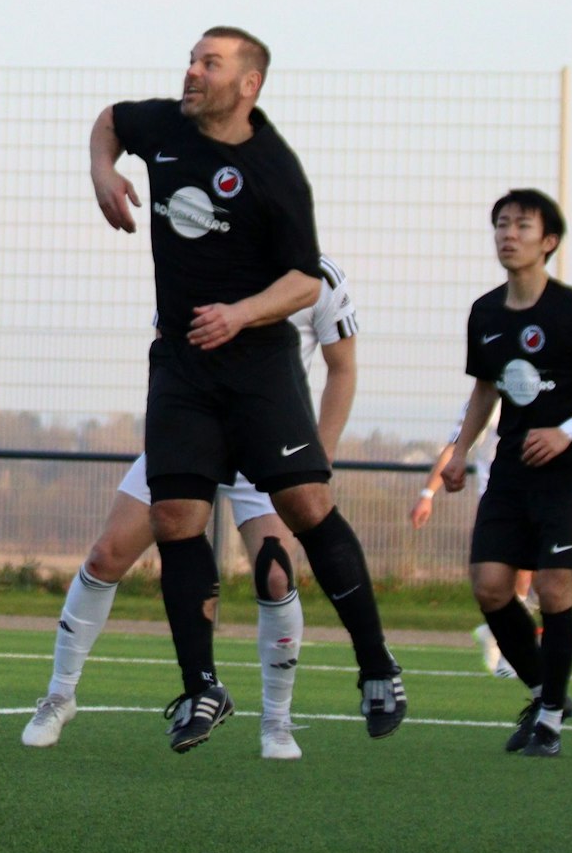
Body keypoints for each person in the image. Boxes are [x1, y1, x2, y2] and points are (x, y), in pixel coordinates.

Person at [88, 26, 403, 752]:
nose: (192, 72)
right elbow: (109, 121)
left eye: (210, 63)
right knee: (174, 514)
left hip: (258, 364)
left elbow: (304, 279)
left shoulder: (273, 168)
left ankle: (378, 665)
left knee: (307, 503)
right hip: (181, 362)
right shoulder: (164, 123)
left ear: (249, 84)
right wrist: (102, 171)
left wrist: (240, 312)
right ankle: (202, 688)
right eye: (192, 58)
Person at [24, 257, 358, 761]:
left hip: (265, 440)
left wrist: (320, 454)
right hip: (190, 438)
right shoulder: (198, 258)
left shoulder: (316, 274)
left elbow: (343, 366)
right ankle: (58, 696)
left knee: (275, 573)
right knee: (106, 555)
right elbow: (164, 347)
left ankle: (277, 722)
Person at [442, 189, 572, 758]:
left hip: (568, 474)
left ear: (548, 241)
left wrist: (567, 431)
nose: (508, 234)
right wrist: (460, 451)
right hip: (510, 472)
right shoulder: (485, 313)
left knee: (553, 589)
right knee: (489, 585)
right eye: (501, 224)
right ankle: (542, 690)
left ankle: (550, 718)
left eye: (522, 226)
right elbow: (485, 388)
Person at [411, 399, 527, 677]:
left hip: (539, 491)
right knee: (505, 576)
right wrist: (428, 494)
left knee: (527, 575)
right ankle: (510, 648)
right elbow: (455, 444)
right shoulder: (490, 396)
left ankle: (499, 636)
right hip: (499, 496)